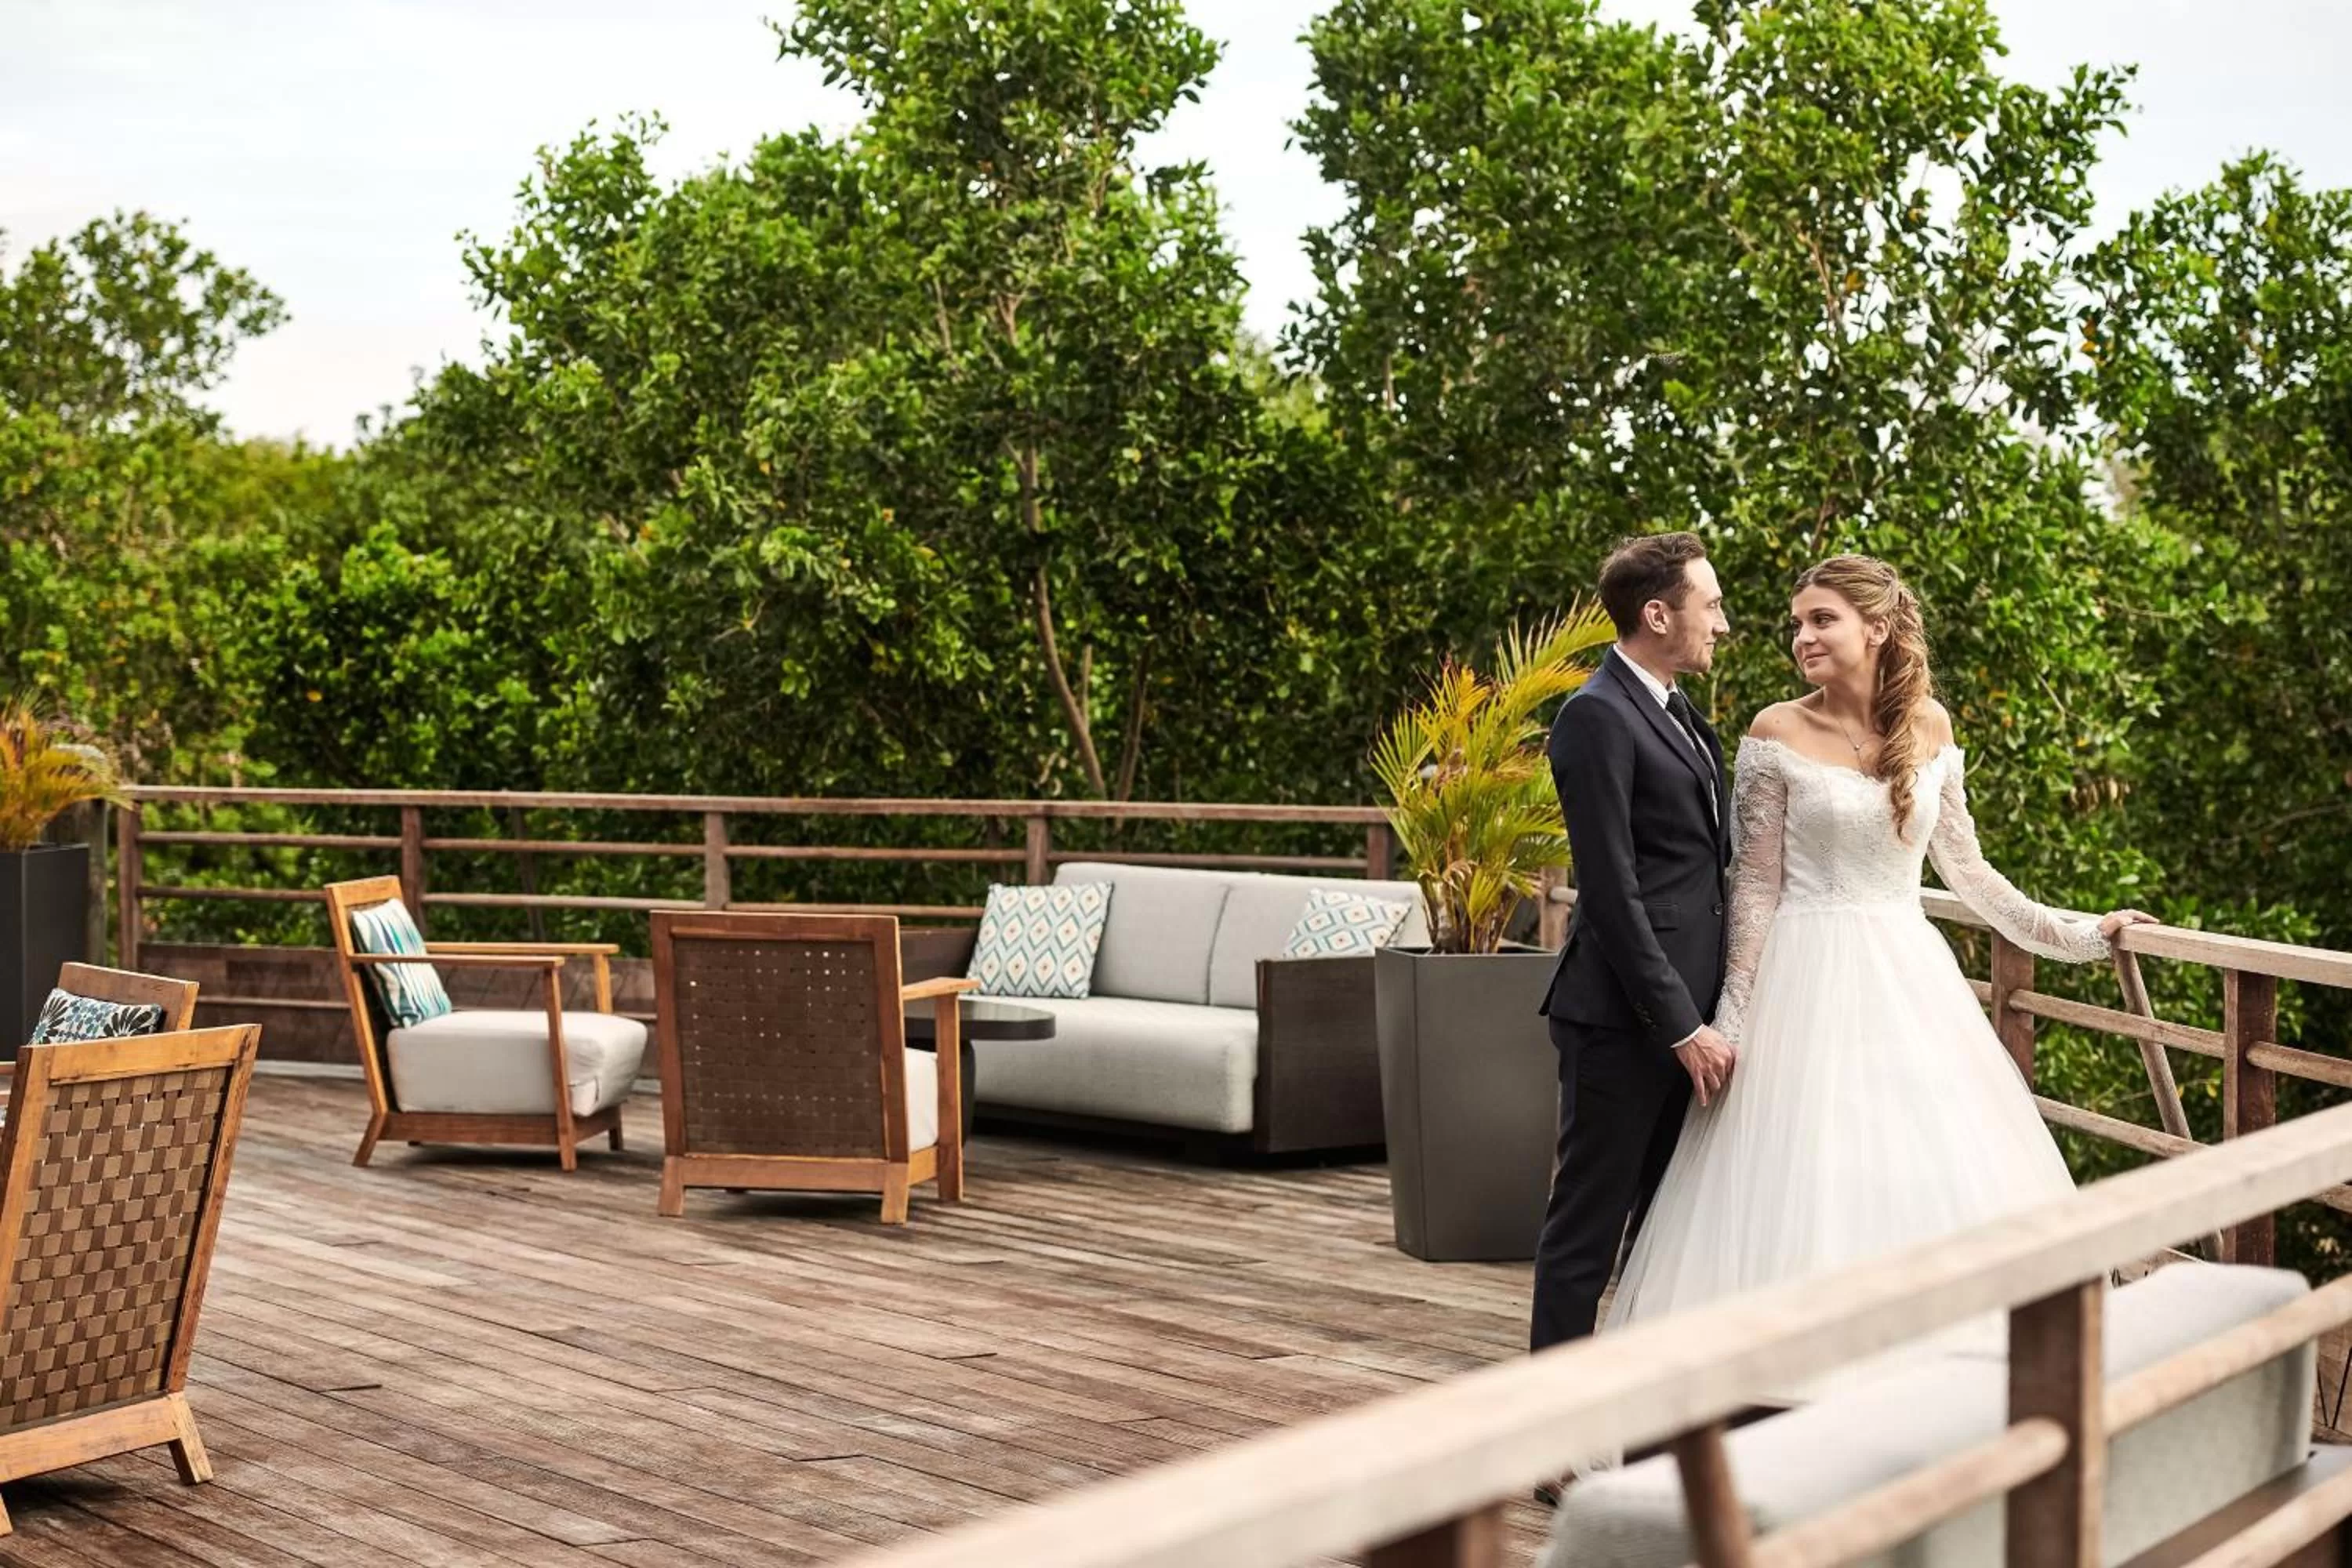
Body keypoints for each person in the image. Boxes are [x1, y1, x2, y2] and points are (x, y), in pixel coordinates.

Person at [1599, 553, 2156, 1340]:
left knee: (1923, 1168)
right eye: (1797, 622)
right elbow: (1753, 885)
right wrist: (1729, 1018)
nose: (1802, 636)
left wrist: (2081, 933)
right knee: (1804, 1173)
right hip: (1801, 980)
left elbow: (1969, 871)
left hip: (1908, 978)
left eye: (1821, 618)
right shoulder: (1775, 729)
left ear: (1879, 626)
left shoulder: (1931, 727)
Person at [1531, 531, 1737, 1358]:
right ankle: (1550, 1436)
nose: (1722, 623)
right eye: (1710, 604)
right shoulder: (1595, 716)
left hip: (1691, 1018)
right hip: (1622, 1021)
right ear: (1658, 613)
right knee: (1587, 1228)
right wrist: (1680, 1025)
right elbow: (1611, 893)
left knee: (1658, 1230)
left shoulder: (1680, 712)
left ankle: (1634, 1418)